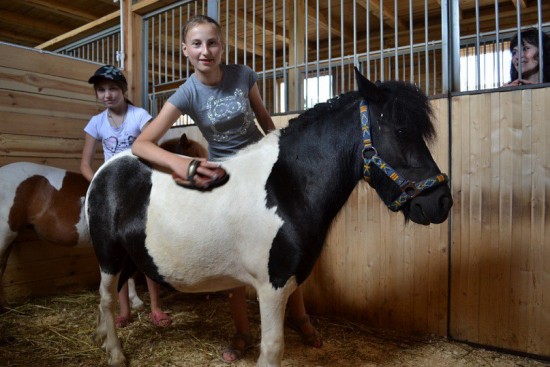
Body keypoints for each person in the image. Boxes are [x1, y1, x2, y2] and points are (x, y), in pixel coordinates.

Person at [131, 15, 322, 363]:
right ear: (186, 50)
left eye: (212, 43)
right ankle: (242, 332)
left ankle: (300, 316)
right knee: (238, 259)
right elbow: (141, 145)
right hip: (228, 175)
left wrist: (282, 150)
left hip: (263, 166)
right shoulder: (187, 92)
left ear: (223, 46)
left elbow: (263, 117)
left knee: (288, 246)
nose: (206, 51)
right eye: (198, 44)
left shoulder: (243, 74)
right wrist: (181, 164)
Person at [81, 64, 172, 329]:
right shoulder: (95, 123)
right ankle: (124, 311)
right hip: (111, 192)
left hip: (138, 188)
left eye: (112, 89)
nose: (107, 95)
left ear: (122, 90)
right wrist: (99, 188)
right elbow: (85, 164)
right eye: (101, 90)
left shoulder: (140, 115)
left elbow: (151, 146)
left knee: (146, 248)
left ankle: (156, 307)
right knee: (115, 254)